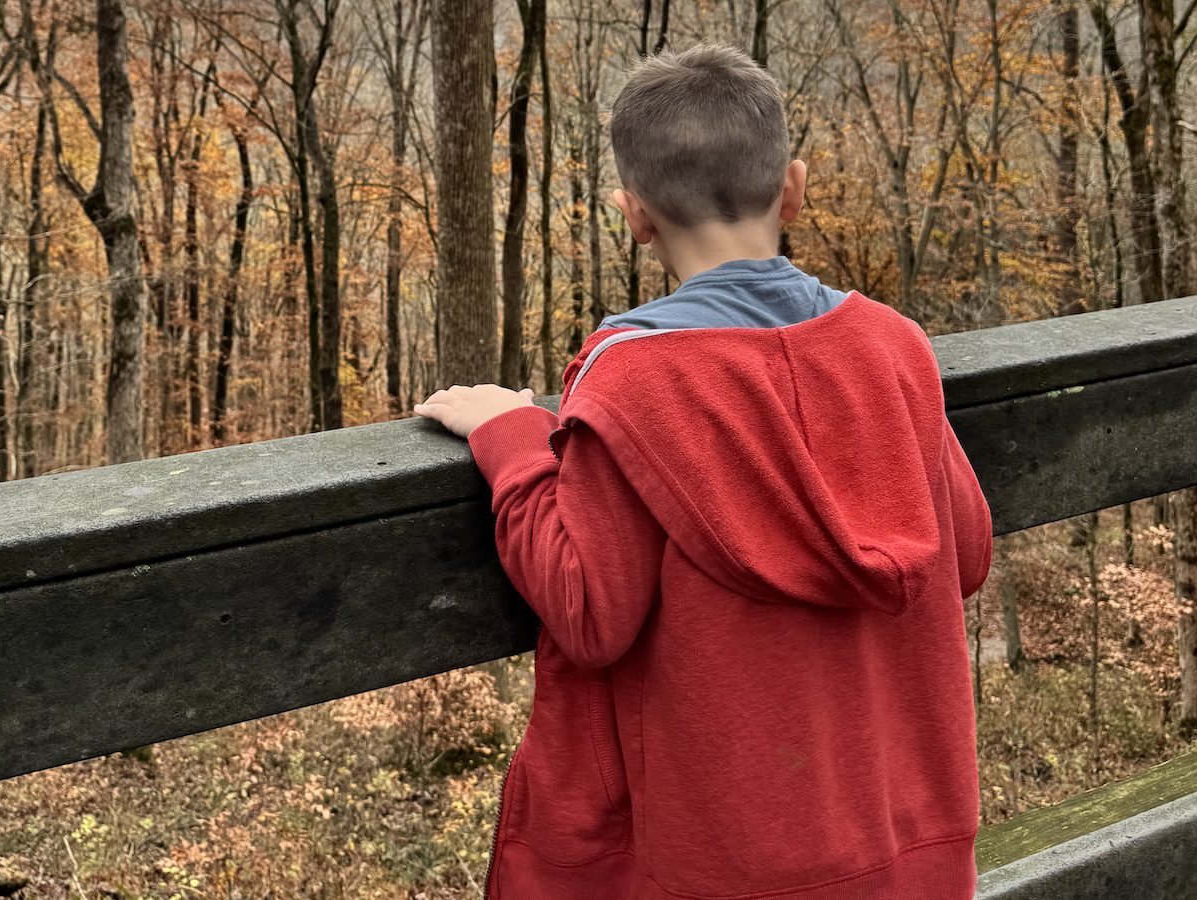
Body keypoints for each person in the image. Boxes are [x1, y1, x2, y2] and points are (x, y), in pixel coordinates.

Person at [414, 43, 993, 900]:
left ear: (636, 215)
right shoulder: (893, 347)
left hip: (724, 861)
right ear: (791, 188)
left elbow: (589, 612)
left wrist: (511, 438)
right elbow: (966, 555)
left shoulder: (634, 379)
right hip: (908, 849)